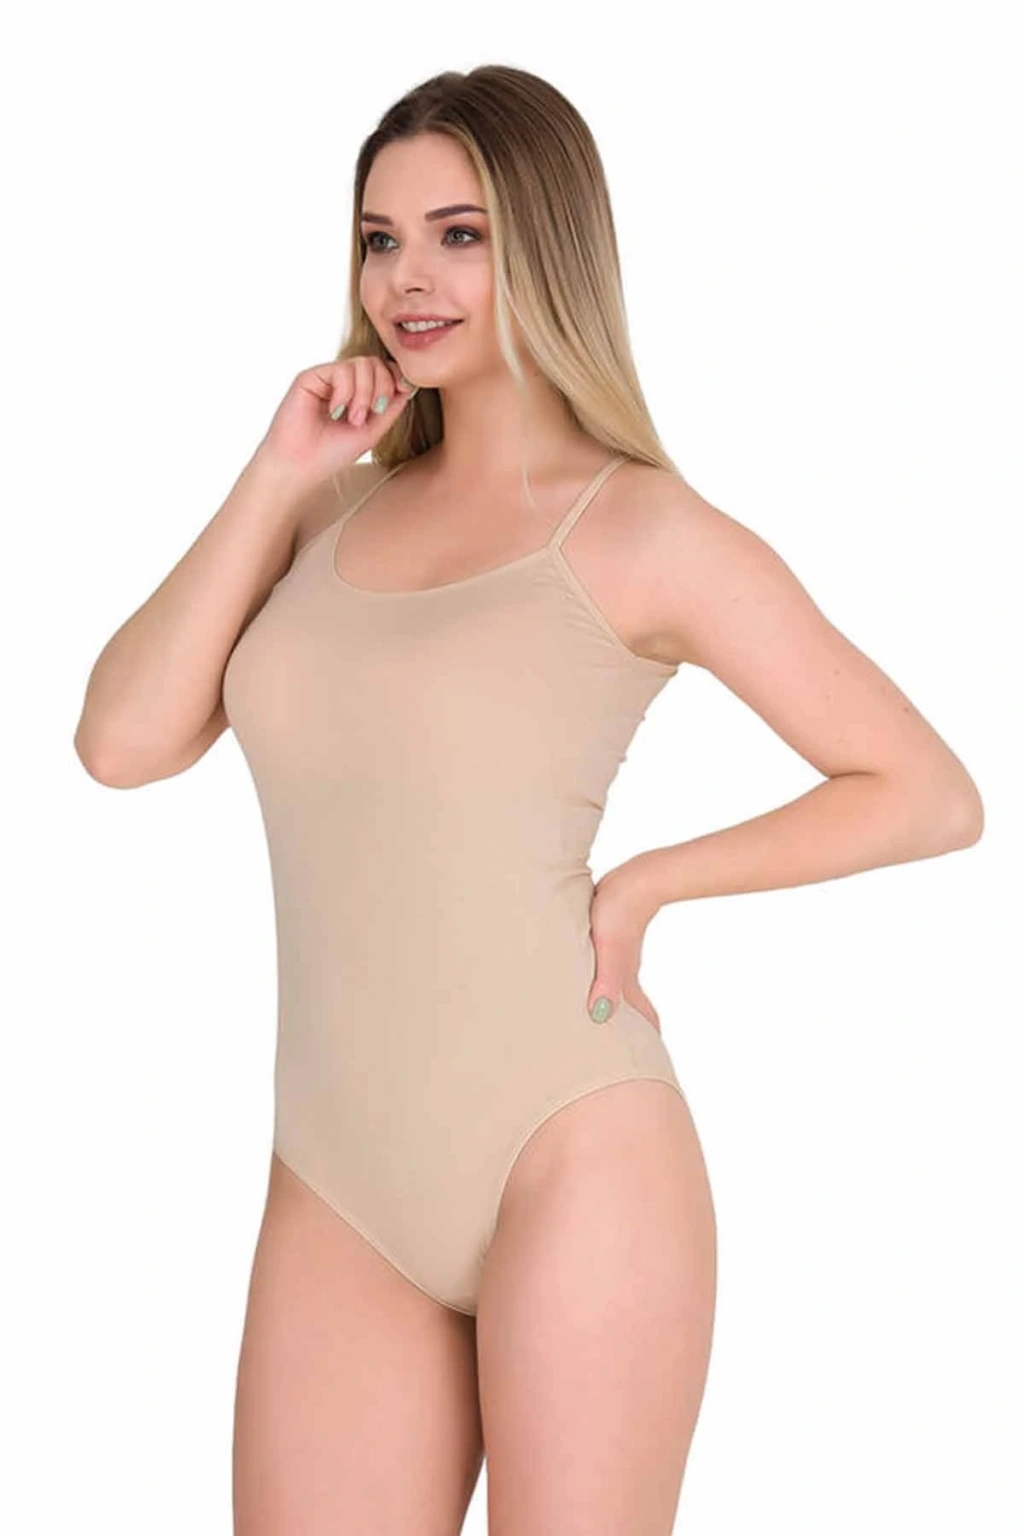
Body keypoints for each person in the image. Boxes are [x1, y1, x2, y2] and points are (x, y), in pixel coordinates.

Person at [73, 63, 984, 1536]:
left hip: (573, 1146)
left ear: (547, 246)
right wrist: (280, 465)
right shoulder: (325, 508)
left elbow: (928, 793)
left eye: (460, 235)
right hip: (337, 1178)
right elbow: (121, 742)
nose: (407, 280)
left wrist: (649, 884)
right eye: (379, 239)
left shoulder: (641, 529)